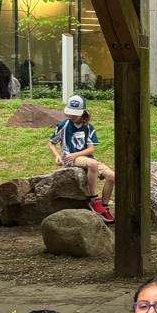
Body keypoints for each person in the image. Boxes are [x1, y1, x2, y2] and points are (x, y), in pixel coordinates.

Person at [48, 94, 115, 224]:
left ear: (83, 112)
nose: (72, 116)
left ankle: (104, 206)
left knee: (112, 176)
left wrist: (77, 155)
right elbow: (51, 142)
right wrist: (57, 155)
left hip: (84, 157)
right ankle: (94, 199)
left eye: (75, 114)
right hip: (69, 158)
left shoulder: (89, 127)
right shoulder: (63, 125)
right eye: (70, 113)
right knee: (92, 164)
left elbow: (91, 149)